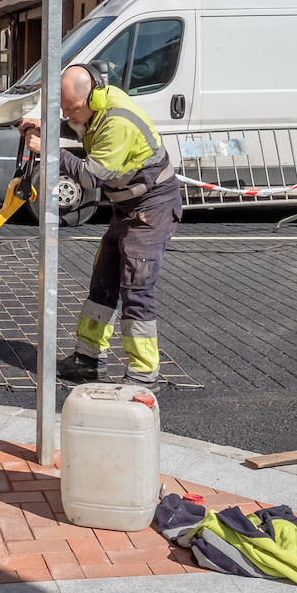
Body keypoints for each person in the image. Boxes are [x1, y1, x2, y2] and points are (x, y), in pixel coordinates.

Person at [19, 62, 181, 390]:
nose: (68, 115)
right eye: (64, 110)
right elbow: (79, 127)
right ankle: (88, 360)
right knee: (103, 282)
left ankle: (143, 373)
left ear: (92, 96)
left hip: (152, 209)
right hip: (128, 208)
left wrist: (48, 148)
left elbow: (90, 177)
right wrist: (47, 127)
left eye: (72, 109)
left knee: (136, 289)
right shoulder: (97, 108)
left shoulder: (119, 122)